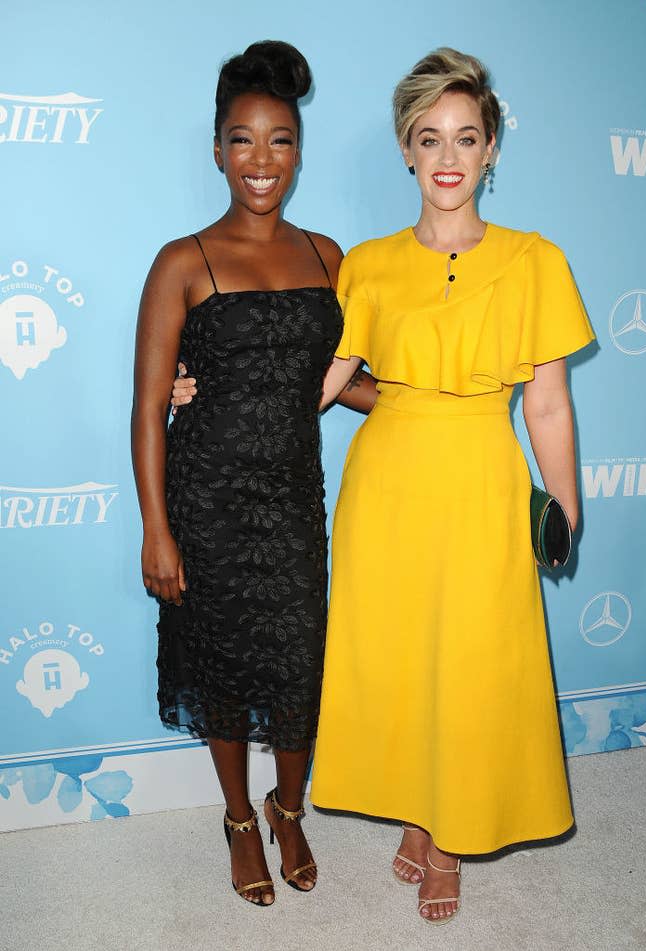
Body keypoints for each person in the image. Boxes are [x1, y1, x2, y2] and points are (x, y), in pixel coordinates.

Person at [172, 47, 595, 925]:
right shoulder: (363, 263)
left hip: (480, 472)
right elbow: (318, 378)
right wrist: (209, 383)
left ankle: (449, 839)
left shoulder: (535, 260)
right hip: (387, 480)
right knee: (400, 660)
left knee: (473, 661)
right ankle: (414, 812)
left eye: (467, 138)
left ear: (491, 151)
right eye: (429, 137)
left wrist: (563, 506)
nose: (448, 156)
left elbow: (547, 404)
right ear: (406, 149)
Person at [131, 40, 374, 909]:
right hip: (208, 505)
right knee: (226, 669)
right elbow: (147, 407)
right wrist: (158, 528)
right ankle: (240, 817)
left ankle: (288, 805)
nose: (260, 160)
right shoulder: (181, 261)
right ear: (217, 149)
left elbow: (350, 384)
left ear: (299, 150)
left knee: (300, 664)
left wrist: (440, 391)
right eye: (242, 140)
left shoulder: (329, 257)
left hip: (293, 502)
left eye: (278, 141)